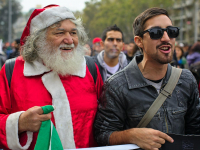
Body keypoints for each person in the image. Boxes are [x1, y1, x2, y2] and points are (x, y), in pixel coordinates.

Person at [94, 7, 200, 150]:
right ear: (139, 41)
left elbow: (195, 131)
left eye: (171, 31)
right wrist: (131, 135)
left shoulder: (186, 79)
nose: (166, 38)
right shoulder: (116, 86)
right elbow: (102, 135)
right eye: (156, 33)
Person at [0, 5, 103, 150]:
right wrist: (19, 123)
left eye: (73, 33)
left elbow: (108, 121)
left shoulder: (90, 69)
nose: (69, 40)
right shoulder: (12, 71)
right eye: (59, 33)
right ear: (39, 39)